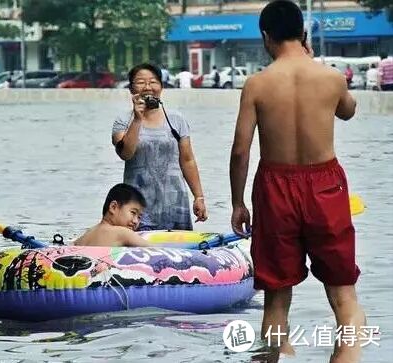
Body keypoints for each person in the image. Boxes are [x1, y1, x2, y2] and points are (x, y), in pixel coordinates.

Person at [229, 1, 365, 362]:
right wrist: (314, 61)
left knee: (276, 296)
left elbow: (241, 151)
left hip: (276, 187)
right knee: (344, 296)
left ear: (265, 36)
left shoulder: (257, 84)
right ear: (303, 35)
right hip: (326, 186)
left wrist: (238, 203)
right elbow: (349, 110)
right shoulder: (331, 77)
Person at [112, 63, 207, 231]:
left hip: (175, 201)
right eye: (140, 82)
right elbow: (126, 154)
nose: (147, 87)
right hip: (137, 206)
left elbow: (187, 160)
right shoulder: (123, 121)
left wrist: (198, 197)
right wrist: (137, 119)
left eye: (153, 82)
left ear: (161, 87)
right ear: (131, 89)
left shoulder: (177, 119)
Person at [74, 183, 151, 247]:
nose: (135, 221)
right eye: (133, 212)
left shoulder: (87, 234)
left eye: (139, 217)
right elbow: (154, 251)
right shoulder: (123, 233)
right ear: (113, 207)